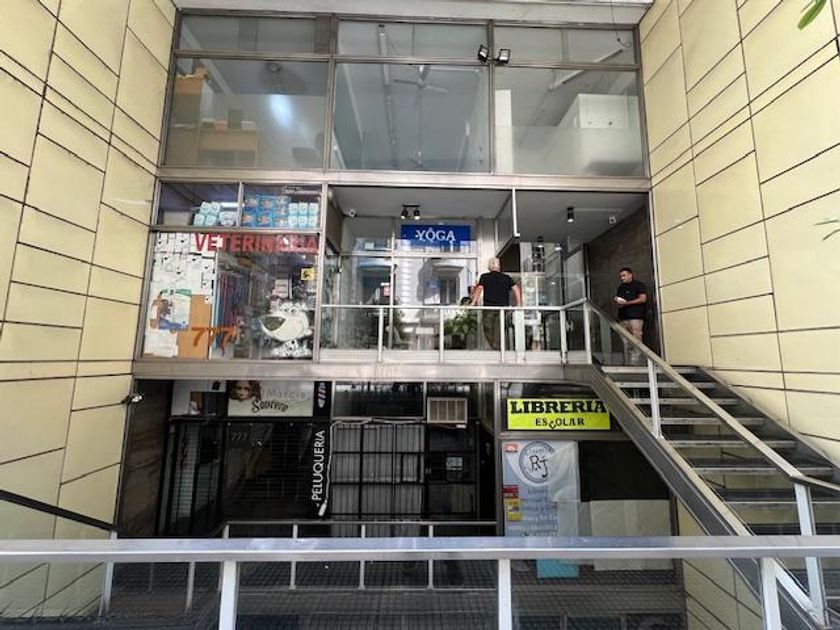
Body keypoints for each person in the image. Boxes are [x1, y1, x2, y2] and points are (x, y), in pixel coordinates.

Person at [471, 257, 522, 350]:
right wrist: (519, 304)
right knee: (499, 329)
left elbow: (479, 289)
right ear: (499, 266)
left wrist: (473, 302)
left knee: (488, 329)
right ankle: (497, 348)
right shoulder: (506, 277)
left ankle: (495, 347)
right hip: (503, 309)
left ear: (489, 266)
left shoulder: (484, 277)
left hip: (489, 308)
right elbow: (516, 289)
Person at [615, 267, 647, 365]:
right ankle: (629, 361)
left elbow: (643, 299)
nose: (622, 278)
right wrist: (619, 302)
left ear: (630, 275)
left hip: (636, 316)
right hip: (623, 317)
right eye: (621, 276)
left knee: (636, 336)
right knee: (625, 340)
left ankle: (638, 360)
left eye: (624, 275)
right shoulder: (621, 287)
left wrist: (627, 303)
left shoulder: (639, 285)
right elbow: (619, 301)